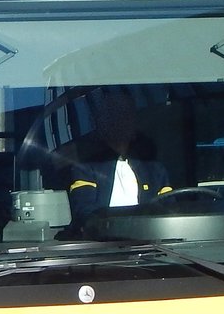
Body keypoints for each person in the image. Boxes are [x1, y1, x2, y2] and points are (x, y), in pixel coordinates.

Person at [67, 89, 171, 230]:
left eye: (126, 113)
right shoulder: (86, 167)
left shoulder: (154, 169)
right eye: (113, 114)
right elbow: (84, 212)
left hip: (152, 247)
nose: (120, 120)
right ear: (101, 121)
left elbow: (170, 211)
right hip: (102, 248)